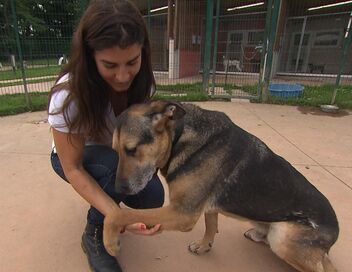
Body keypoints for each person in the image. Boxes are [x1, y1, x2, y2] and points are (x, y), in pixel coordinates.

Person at [47, 1, 163, 271]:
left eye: (132, 62)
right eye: (109, 65)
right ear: (89, 57)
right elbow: (73, 168)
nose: (123, 76)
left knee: (151, 198)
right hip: (78, 159)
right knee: (116, 170)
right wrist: (118, 216)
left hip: (115, 152)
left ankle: (109, 206)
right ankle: (95, 233)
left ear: (142, 53)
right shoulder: (68, 95)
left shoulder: (142, 80)